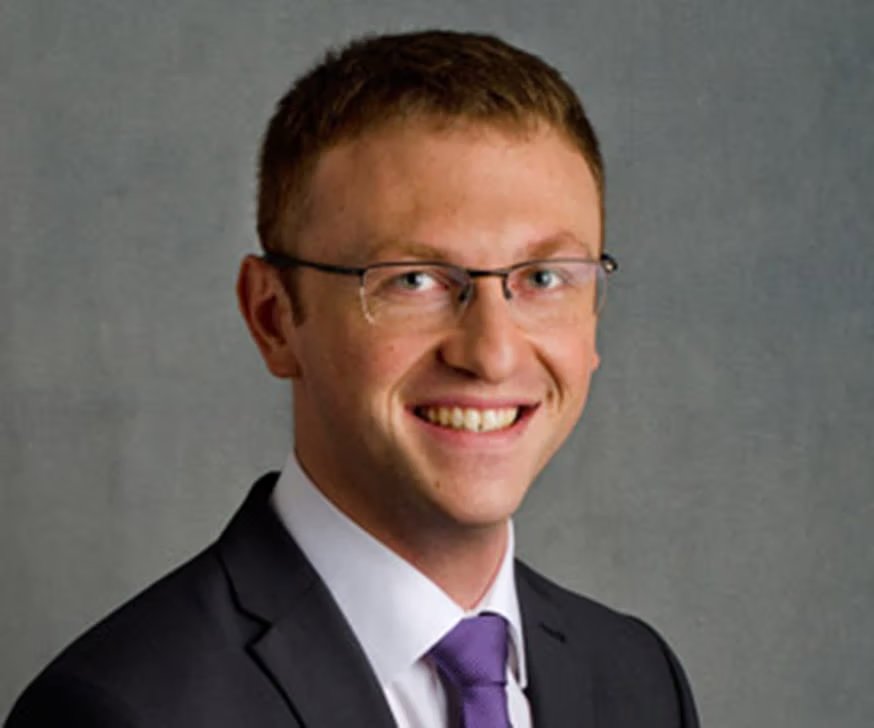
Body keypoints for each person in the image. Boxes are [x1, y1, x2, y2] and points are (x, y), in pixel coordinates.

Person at [6, 30, 699, 727]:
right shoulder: (121, 712)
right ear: (274, 319)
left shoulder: (638, 681)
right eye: (415, 280)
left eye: (543, 277)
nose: (492, 354)